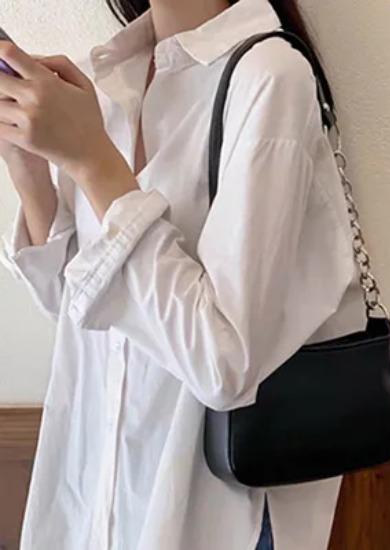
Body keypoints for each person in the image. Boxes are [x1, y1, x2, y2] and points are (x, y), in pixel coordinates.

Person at [0, 0, 365, 548]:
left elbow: (224, 363)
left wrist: (92, 161)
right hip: (96, 496)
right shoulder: (111, 77)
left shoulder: (269, 76)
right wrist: (27, 164)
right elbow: (80, 309)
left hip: (207, 512)